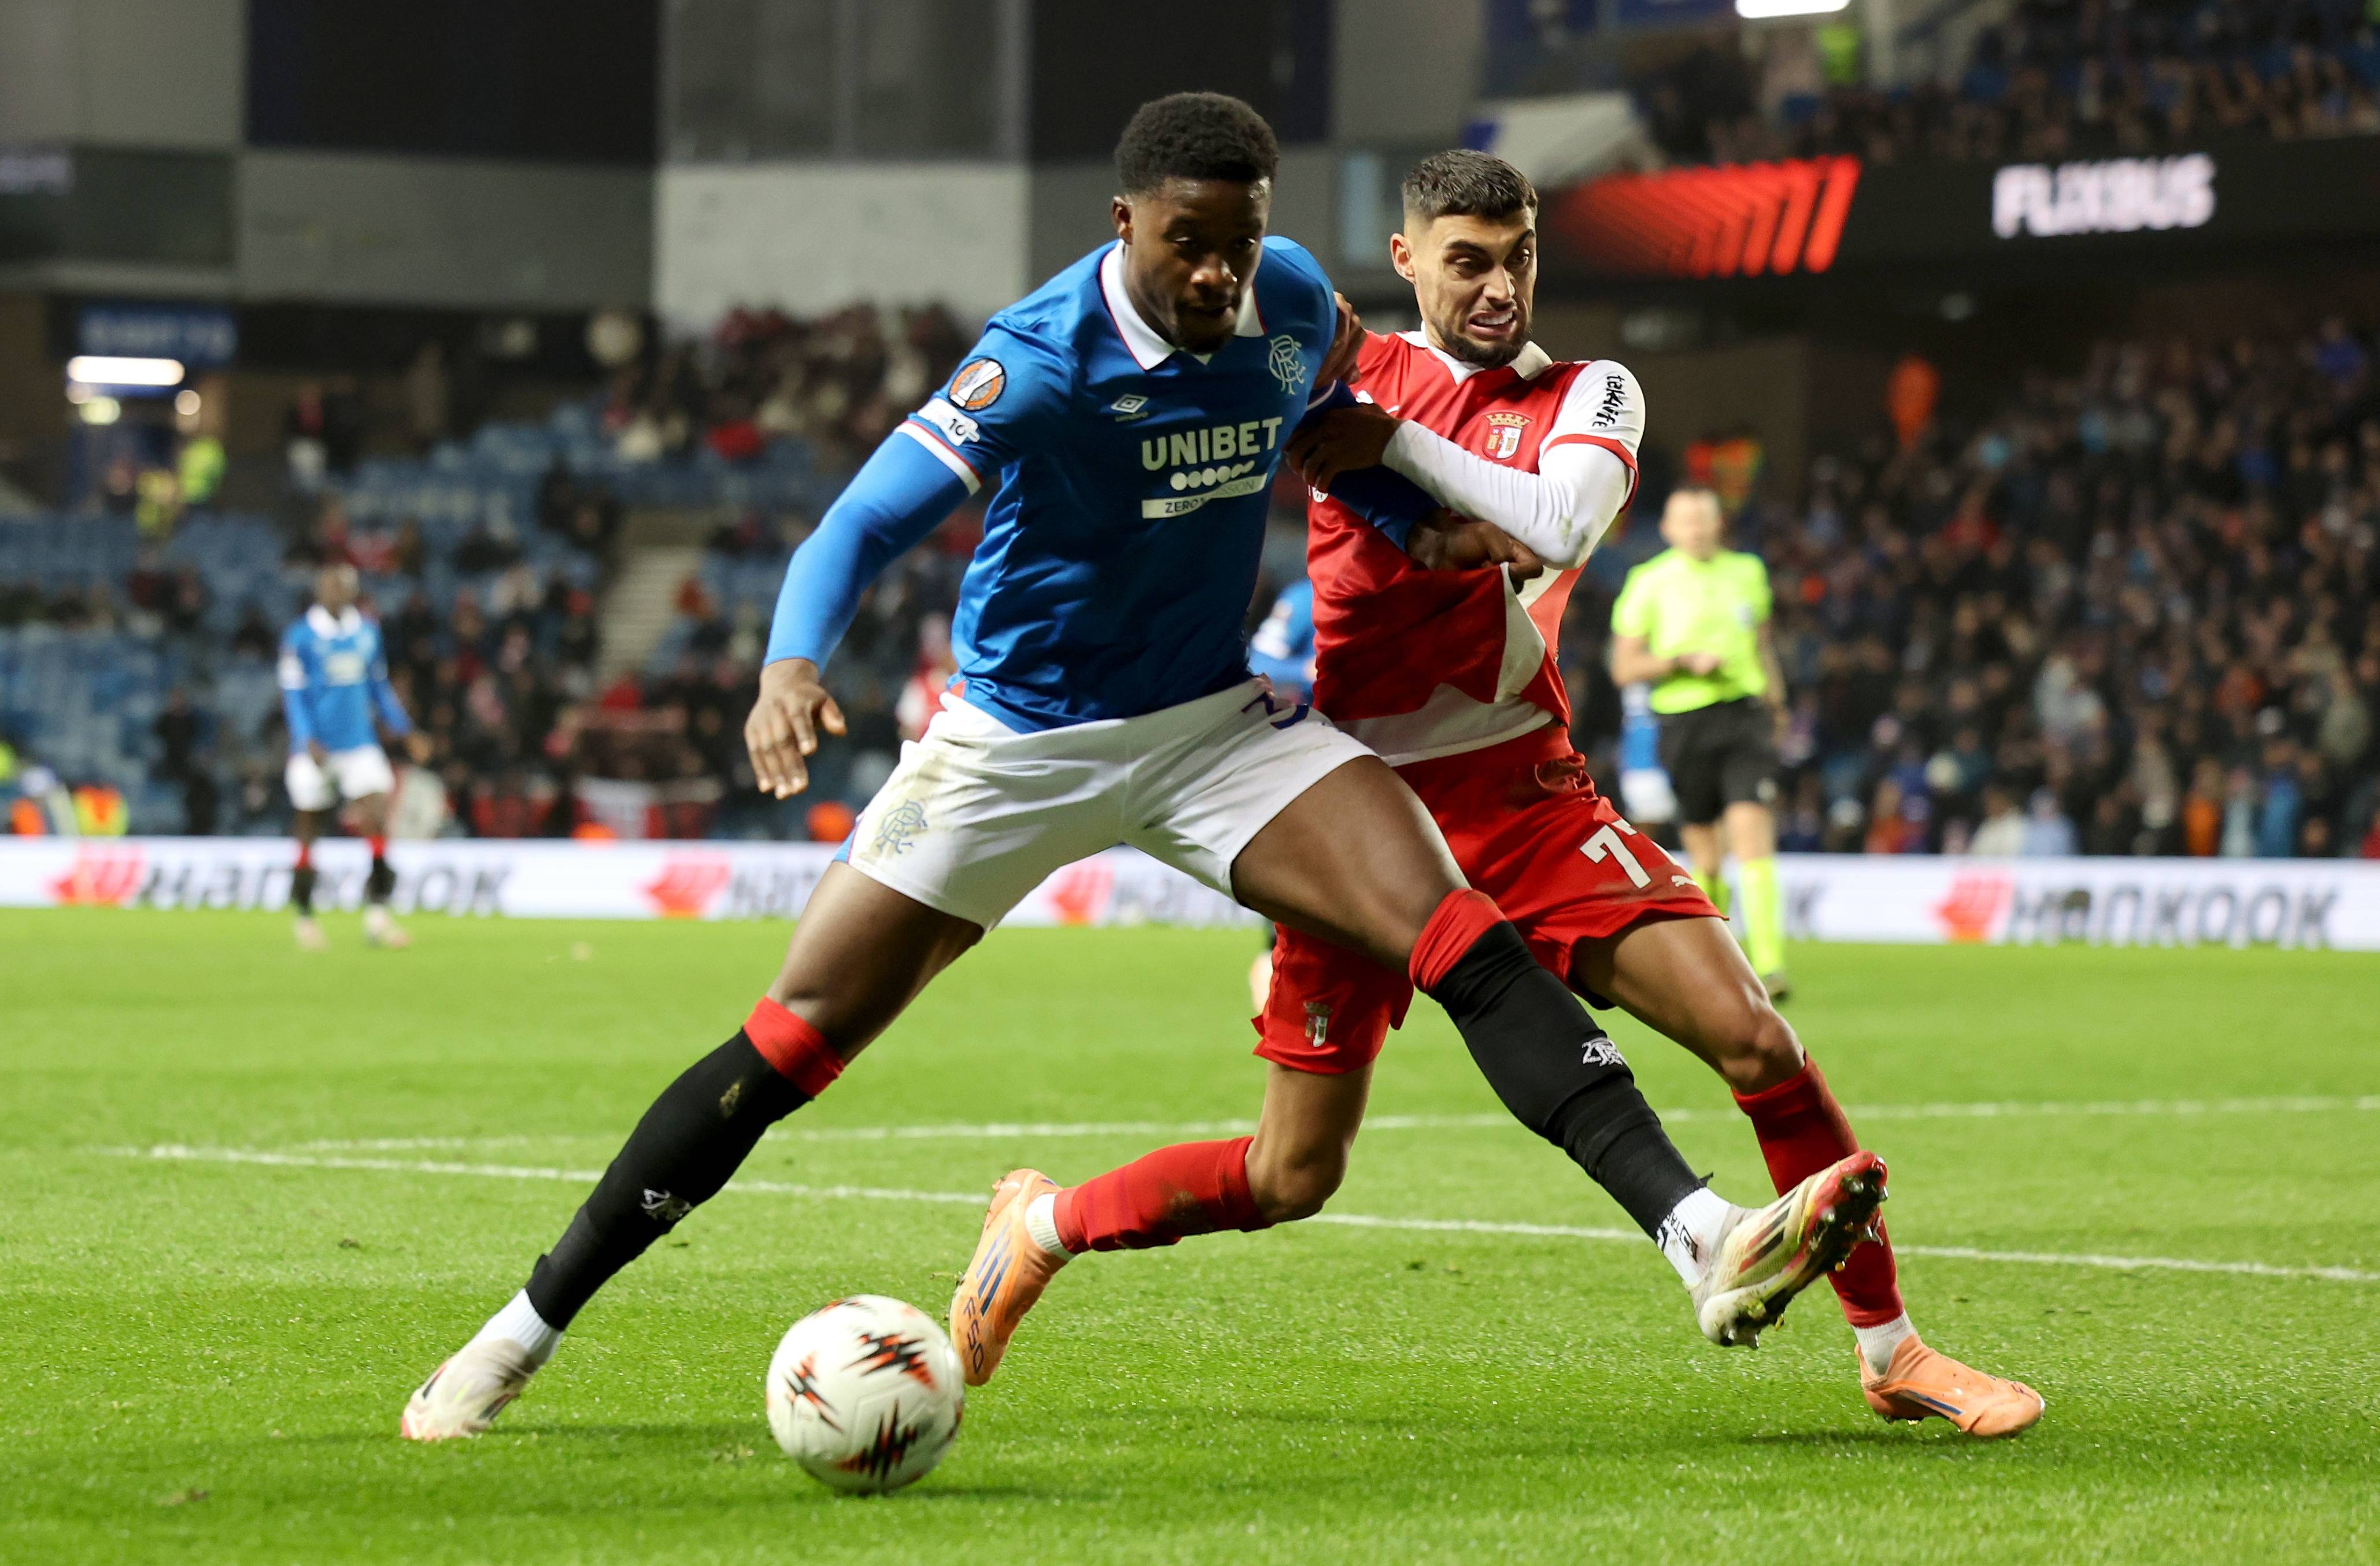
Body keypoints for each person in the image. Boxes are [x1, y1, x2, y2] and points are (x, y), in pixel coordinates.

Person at [403, 97, 1870, 1442]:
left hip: (1207, 727)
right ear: (1126, 225)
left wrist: (1418, 524)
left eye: (1241, 240)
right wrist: (792, 665)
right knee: (792, 1041)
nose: (1220, 273)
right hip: (1014, 745)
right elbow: (856, 526)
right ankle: (523, 1329)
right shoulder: (1037, 360)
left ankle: (1699, 1236)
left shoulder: (1292, 299)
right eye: (1189, 243)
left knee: (1462, 936)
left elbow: (1330, 437)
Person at [967, 150, 2036, 1439]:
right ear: (1406, 260)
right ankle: (1043, 1223)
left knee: (1755, 1035)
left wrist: (1394, 441)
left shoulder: (1593, 390)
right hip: (1343, 813)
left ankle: (1892, 1348)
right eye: (1464, 260)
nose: (1495, 286)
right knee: (1290, 1171)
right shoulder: (1335, 367)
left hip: (1522, 791)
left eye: (1517, 256)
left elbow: (1560, 522)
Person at [1609, 487, 1794, 998]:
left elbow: (1762, 646)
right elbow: (1624, 667)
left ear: (1719, 524)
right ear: (1667, 529)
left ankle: (1770, 966)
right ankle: (1722, 959)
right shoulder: (1648, 582)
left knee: (1752, 833)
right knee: (1707, 855)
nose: (1696, 529)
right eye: (1686, 521)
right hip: (1683, 723)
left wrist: (1777, 705)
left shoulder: (1747, 572)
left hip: (1744, 716)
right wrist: (1681, 662)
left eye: (1704, 519)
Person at [278, 564, 430, 950]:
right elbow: (293, 694)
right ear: (319, 590)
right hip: (316, 749)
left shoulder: (367, 632)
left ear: (353, 591)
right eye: (330, 585)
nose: (337, 591)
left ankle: (378, 916)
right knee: (308, 831)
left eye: (344, 586)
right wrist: (306, 739)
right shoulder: (300, 637)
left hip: (359, 744)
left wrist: (405, 729)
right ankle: (305, 918)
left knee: (377, 818)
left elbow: (379, 687)